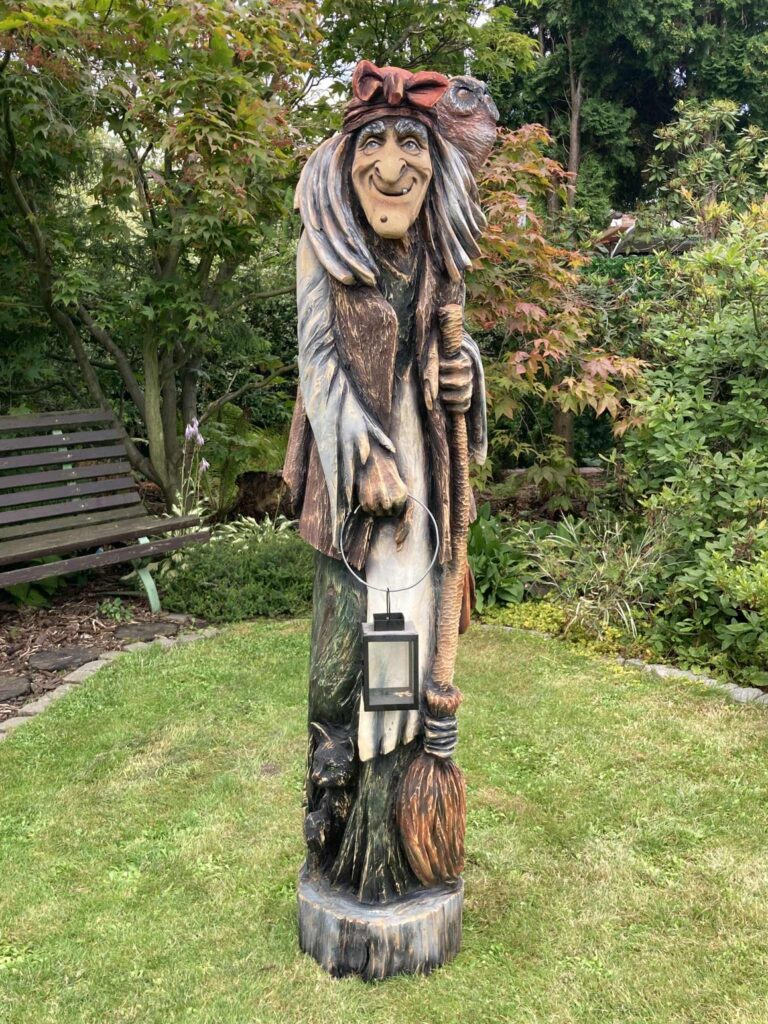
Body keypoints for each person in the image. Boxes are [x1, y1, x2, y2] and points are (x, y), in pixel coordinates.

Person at [284, 61, 488, 903]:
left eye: (412, 142)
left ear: (437, 168)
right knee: (342, 673)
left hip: (425, 497)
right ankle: (338, 831)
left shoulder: (439, 256)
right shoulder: (323, 252)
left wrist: (466, 377)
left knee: (406, 667)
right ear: (343, 159)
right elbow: (317, 363)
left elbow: (453, 350)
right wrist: (363, 455)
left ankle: (403, 842)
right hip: (352, 504)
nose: (393, 164)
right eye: (373, 141)